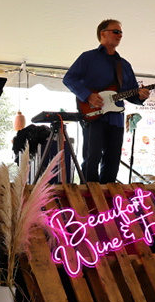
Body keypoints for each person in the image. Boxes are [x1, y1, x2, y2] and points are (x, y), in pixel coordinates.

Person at [63, 19, 150, 183]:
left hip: (116, 119)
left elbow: (130, 92)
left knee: (112, 161)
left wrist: (140, 96)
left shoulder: (124, 65)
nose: (120, 35)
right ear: (103, 33)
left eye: (121, 32)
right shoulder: (88, 58)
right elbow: (69, 78)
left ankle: (107, 202)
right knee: (91, 158)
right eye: (116, 31)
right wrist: (88, 95)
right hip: (94, 116)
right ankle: (89, 199)